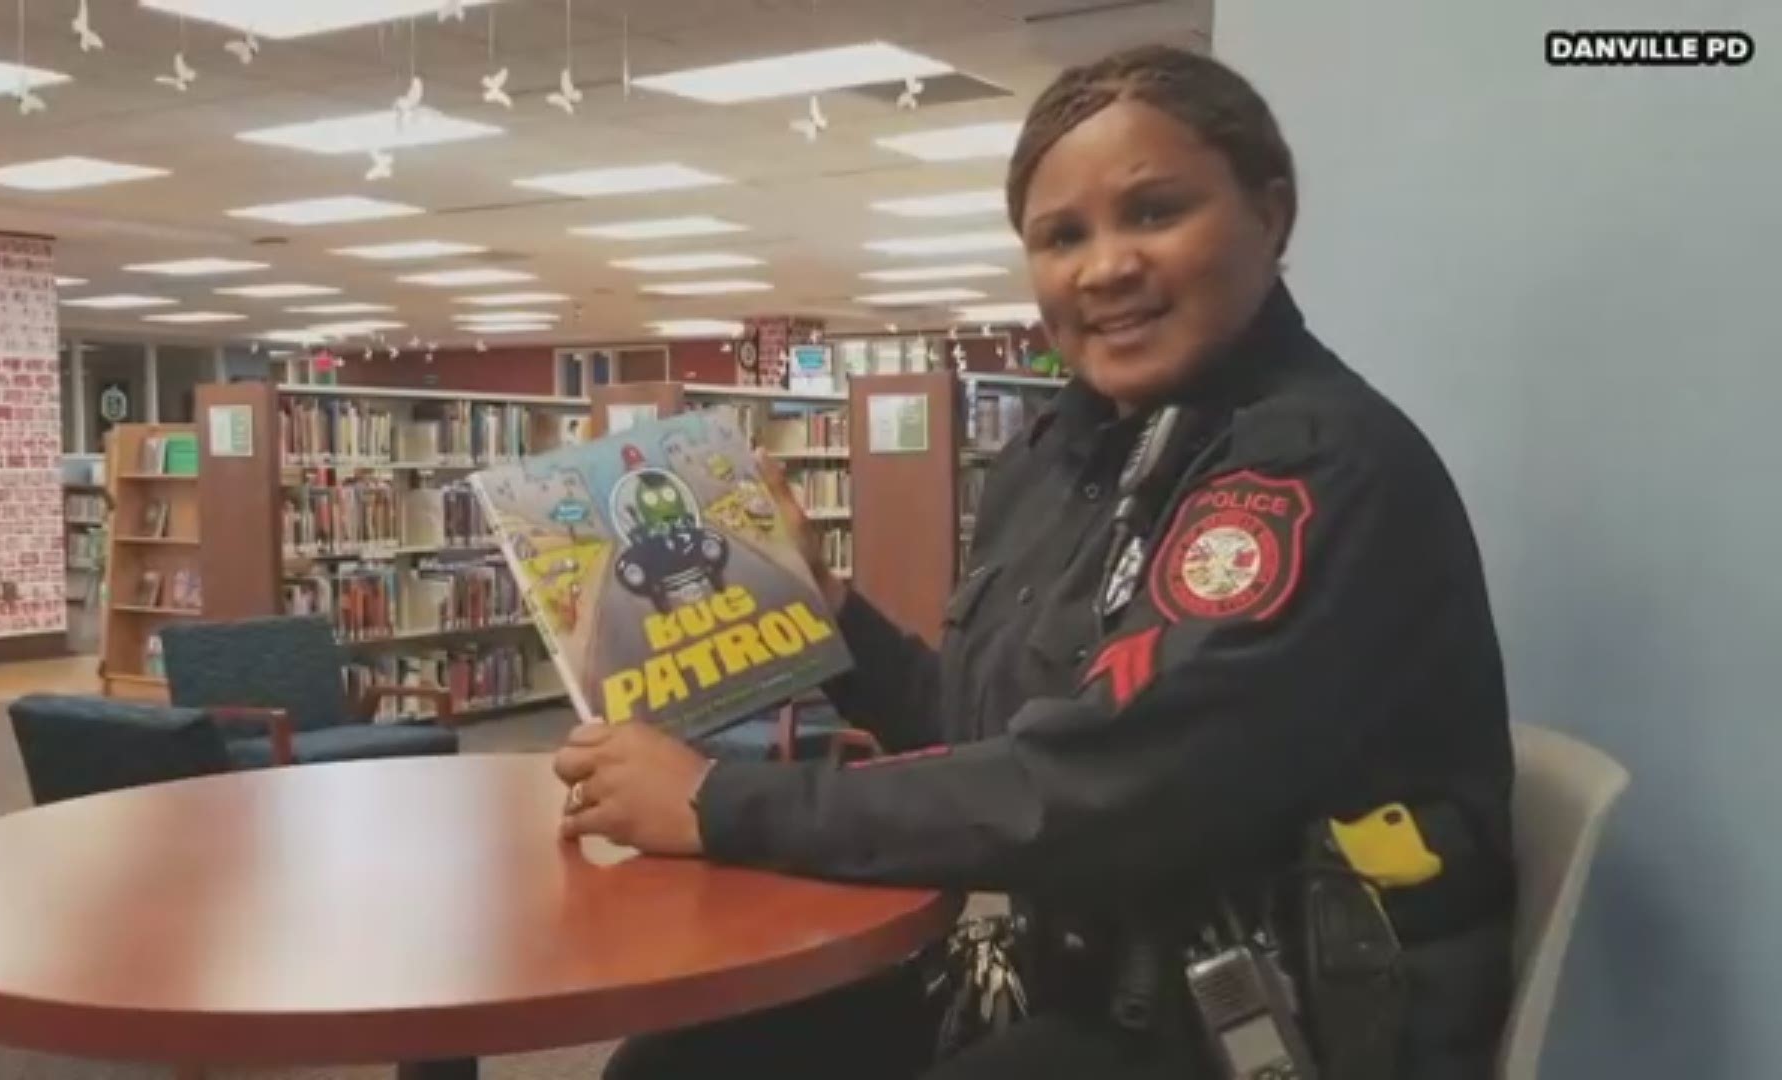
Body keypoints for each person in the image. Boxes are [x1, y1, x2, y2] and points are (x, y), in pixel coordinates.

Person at [554, 43, 1515, 1080]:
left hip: (1272, 1017)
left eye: (1154, 211)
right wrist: (816, 605)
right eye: (1061, 235)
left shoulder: (1311, 470)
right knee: (676, 1069)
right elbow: (988, 735)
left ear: (1270, 216)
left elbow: (1104, 793)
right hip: (1103, 971)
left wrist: (714, 803)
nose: (1104, 267)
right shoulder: (1064, 455)